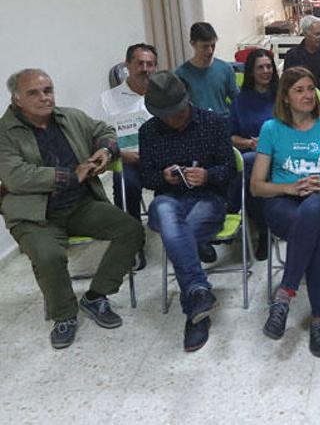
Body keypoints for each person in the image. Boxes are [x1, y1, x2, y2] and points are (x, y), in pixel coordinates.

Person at [0, 69, 144, 349]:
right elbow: (16, 176)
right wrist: (69, 175)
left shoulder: (69, 117)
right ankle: (64, 315)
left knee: (131, 229)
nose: (45, 98)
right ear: (17, 100)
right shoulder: (4, 133)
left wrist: (105, 150)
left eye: (48, 90)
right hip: (35, 216)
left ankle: (96, 296)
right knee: (48, 255)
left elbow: (104, 130)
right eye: (34, 93)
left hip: (79, 205)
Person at [253, 67, 320, 358]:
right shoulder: (271, 129)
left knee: (314, 209)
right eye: (299, 90)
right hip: (284, 203)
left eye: (311, 88)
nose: (308, 95)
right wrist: (289, 189)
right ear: (285, 97)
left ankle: (285, 294)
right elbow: (257, 186)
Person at [139, 71, 234, 352]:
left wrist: (207, 175)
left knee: (178, 236)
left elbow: (229, 169)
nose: (173, 119)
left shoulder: (212, 122)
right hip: (169, 199)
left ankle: (194, 300)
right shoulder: (149, 131)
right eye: (165, 115)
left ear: (187, 101)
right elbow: (145, 176)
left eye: (177, 112)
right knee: (168, 215)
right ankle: (198, 293)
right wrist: (163, 177)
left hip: (208, 200)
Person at [99, 43, 157, 270]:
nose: (145, 68)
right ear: (127, 66)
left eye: (150, 64)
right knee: (124, 181)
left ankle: (191, 235)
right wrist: (122, 154)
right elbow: (101, 138)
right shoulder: (109, 99)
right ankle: (132, 242)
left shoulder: (164, 92)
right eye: (139, 63)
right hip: (130, 159)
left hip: (162, 157)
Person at [228, 48, 278, 261]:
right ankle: (264, 229)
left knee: (247, 168)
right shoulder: (241, 101)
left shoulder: (284, 95)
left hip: (282, 153)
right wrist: (250, 142)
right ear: (251, 72)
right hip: (252, 151)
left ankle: (230, 212)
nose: (266, 71)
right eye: (260, 67)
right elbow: (231, 137)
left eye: (269, 66)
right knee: (247, 165)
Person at [175, 22, 239, 117]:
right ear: (193, 44)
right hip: (195, 124)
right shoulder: (180, 74)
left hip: (222, 121)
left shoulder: (226, 69)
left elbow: (237, 100)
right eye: (205, 46)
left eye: (213, 45)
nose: (210, 51)